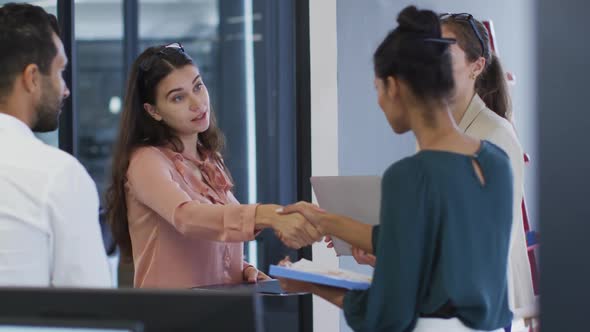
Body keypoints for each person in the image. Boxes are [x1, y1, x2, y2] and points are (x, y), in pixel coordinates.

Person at [277, 6, 512, 332]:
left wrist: (312, 284)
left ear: (395, 87)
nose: (378, 102)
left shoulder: (410, 176)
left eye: (377, 89)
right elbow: (429, 242)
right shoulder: (495, 162)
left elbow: (388, 314)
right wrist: (325, 220)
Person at [334, 11, 536, 321]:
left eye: (443, 50)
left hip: (484, 305)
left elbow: (481, 244)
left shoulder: (493, 137)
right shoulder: (438, 142)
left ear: (477, 65)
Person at [105, 43, 321, 288]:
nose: (197, 103)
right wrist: (265, 215)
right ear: (153, 111)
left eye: (198, 86)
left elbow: (213, 240)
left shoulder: (209, 159)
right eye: (178, 97)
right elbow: (187, 217)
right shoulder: (145, 161)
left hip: (220, 312)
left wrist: (244, 270)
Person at [0, 3, 111, 287]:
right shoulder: (57, 175)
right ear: (32, 78)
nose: (66, 89)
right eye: (60, 71)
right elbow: (96, 315)